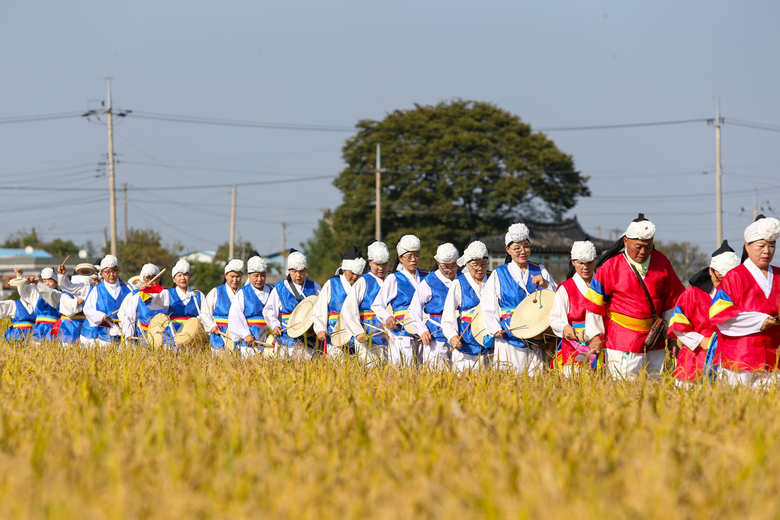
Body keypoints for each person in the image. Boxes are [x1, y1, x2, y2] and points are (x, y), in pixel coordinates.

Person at [584, 214, 685, 380]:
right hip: (621, 340)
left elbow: (671, 303)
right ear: (625, 242)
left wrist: (672, 339)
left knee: (653, 390)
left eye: (648, 246)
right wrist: (595, 337)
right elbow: (594, 306)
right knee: (622, 390)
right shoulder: (609, 267)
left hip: (655, 339)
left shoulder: (662, 262)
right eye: (638, 246)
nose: (643, 251)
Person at [709, 216, 780, 388]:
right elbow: (719, 314)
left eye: (772, 246)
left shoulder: (778, 275)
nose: (767, 251)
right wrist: (760, 321)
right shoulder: (735, 276)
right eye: (761, 246)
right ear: (747, 246)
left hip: (774, 358)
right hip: (738, 358)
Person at [481, 223, 557, 375]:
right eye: (517, 248)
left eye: (526, 246)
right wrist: (495, 328)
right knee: (509, 377)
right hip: (509, 333)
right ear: (508, 250)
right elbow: (487, 303)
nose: (523, 251)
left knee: (536, 378)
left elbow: (556, 297)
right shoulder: (499, 273)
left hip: (536, 332)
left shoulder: (540, 269)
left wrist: (546, 284)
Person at [667, 241, 740, 387]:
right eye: (720, 278)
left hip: (730, 360)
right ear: (711, 271)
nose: (723, 283)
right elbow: (678, 326)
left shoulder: (741, 294)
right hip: (694, 360)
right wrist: (701, 341)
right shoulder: (692, 294)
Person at [372, 235, 428, 365]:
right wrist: (387, 317)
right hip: (401, 332)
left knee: (425, 370)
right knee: (403, 369)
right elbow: (377, 305)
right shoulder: (394, 278)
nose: (413, 259)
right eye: (409, 256)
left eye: (416, 255)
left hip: (425, 331)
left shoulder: (427, 277)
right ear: (400, 258)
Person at [549, 241, 599, 376]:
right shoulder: (565, 288)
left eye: (589, 262)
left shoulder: (603, 285)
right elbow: (555, 318)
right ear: (573, 262)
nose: (585, 267)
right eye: (580, 263)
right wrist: (564, 327)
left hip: (600, 344)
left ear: (595, 259)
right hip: (574, 346)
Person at [442, 241, 492, 372]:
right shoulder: (459, 283)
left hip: (491, 339)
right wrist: (452, 336)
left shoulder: (493, 279)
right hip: (467, 341)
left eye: (483, 264)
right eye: (475, 265)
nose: (480, 268)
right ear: (467, 264)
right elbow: (448, 315)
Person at [408, 243, 460, 368]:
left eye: (453, 266)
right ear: (437, 262)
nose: (449, 270)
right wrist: (422, 330)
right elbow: (414, 309)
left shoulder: (463, 279)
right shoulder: (429, 281)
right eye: (445, 267)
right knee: (436, 371)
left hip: (460, 333)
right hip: (435, 334)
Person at [263, 249, 321, 359]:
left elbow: (322, 309)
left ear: (306, 270)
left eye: (302, 271)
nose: (298, 275)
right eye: (294, 271)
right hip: (286, 340)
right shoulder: (280, 288)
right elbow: (269, 310)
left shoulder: (315, 287)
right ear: (289, 271)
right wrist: (274, 325)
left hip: (310, 339)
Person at [341, 241, 391, 365]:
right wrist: (358, 332)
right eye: (377, 264)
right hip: (368, 337)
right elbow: (347, 310)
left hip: (392, 337)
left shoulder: (393, 279)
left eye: (384, 264)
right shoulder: (363, 281)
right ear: (369, 261)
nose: (381, 268)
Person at [313, 246, 365, 360]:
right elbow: (319, 307)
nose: (355, 276)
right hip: (335, 333)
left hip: (357, 333)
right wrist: (320, 328)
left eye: (358, 273)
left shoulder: (363, 283)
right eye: (352, 273)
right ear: (344, 269)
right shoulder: (332, 283)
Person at [228, 255, 274, 358]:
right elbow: (235, 315)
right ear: (249, 275)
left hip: (271, 341)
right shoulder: (243, 293)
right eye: (256, 275)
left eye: (262, 275)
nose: (259, 279)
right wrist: (245, 334)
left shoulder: (273, 291)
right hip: (251, 341)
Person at [82, 255, 132, 348]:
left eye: (114, 271)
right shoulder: (97, 290)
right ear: (102, 273)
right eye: (108, 272)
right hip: (104, 335)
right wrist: (101, 317)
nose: (112, 275)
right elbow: (88, 309)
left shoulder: (127, 287)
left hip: (125, 334)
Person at [201, 259, 244, 351]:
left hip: (239, 336)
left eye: (238, 276)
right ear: (225, 275)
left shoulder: (244, 293)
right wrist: (211, 326)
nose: (235, 280)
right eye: (232, 276)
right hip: (219, 335)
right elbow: (204, 313)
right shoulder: (216, 292)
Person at [119, 264, 168, 343]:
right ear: (142, 281)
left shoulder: (166, 294)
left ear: (159, 279)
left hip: (164, 338)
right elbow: (128, 317)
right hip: (143, 338)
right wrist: (128, 334)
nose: (151, 282)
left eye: (153, 278)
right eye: (147, 280)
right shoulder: (136, 296)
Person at [14, 267, 62, 343]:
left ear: (56, 283)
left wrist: (37, 283)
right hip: (38, 329)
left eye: (50, 281)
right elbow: (23, 292)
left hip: (54, 329)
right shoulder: (37, 294)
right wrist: (20, 275)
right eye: (45, 281)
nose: (47, 284)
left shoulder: (59, 295)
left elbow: (49, 293)